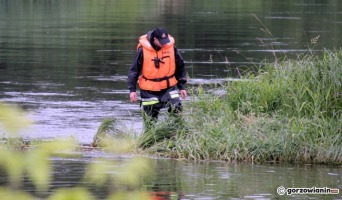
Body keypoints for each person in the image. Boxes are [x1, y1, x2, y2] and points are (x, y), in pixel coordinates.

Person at [127, 28, 187, 130]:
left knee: (176, 108)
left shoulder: (171, 48)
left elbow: (180, 66)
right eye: (161, 42)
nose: (164, 44)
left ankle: (174, 133)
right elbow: (134, 71)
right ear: (154, 39)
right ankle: (150, 140)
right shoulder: (142, 50)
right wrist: (132, 90)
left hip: (169, 87)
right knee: (150, 119)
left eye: (166, 41)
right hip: (149, 89)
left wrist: (181, 86)